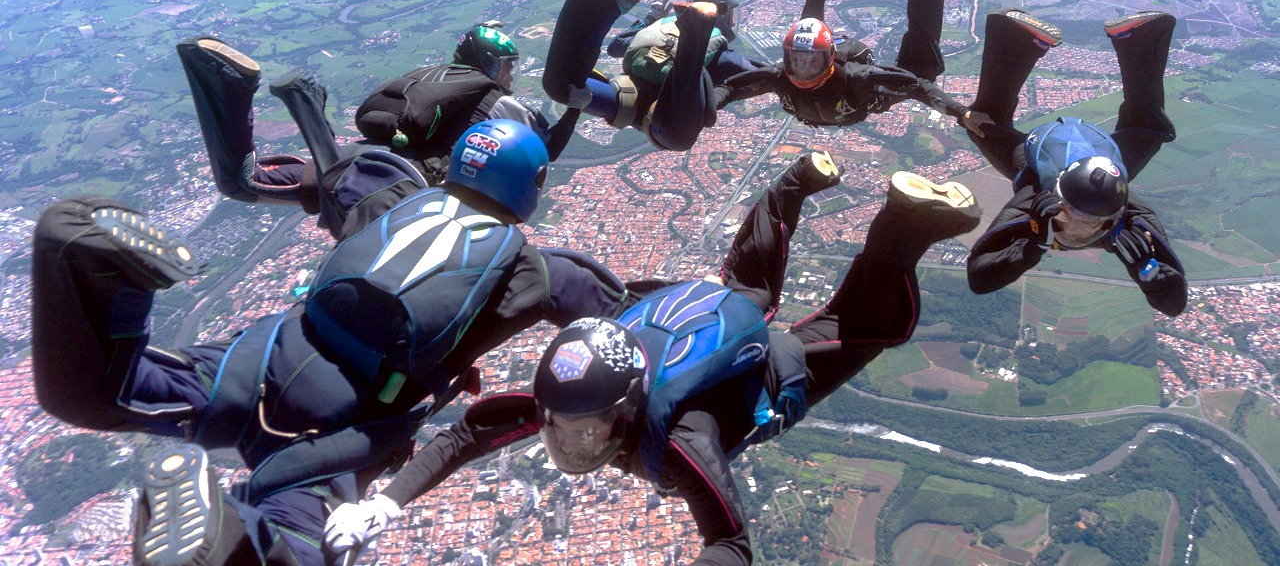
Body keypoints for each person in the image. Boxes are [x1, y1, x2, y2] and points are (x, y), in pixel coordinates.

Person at [30, 120, 641, 566]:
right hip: (342, 421)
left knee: (100, 392)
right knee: (297, 539)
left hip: (266, 356)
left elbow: (336, 181)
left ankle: (85, 268)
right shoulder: (536, 269)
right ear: (530, 184)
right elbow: (623, 321)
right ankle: (225, 540)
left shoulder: (397, 201)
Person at [324, 156, 982, 564]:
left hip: (770, 365)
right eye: (565, 428)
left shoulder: (682, 441)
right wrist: (387, 503)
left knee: (864, 325)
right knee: (746, 285)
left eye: (586, 431)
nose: (576, 444)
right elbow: (474, 429)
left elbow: (730, 545)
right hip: (699, 312)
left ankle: (903, 220)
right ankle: (799, 180)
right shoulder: (583, 392)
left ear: (628, 406)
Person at [176, 24, 581, 236]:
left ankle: (224, 83)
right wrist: (575, 111)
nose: (512, 74)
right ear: (491, 65)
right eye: (508, 65)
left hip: (360, 157)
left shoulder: (428, 75)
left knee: (244, 183)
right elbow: (545, 150)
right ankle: (304, 106)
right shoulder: (496, 100)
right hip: (400, 186)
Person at [963, 9, 1186, 316]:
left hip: (1085, 165)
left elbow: (980, 277)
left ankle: (1017, 39)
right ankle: (1138, 38)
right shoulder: (1044, 206)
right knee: (1149, 127)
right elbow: (978, 278)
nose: (1080, 230)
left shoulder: (1038, 210)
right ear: (1057, 198)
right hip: (1045, 157)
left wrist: (1033, 246)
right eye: (1077, 216)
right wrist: (1149, 273)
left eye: (1092, 222)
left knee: (982, 124)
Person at [715, 0, 990, 136]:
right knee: (808, 39)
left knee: (922, 71)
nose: (802, 71)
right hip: (846, 96)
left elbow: (917, 85)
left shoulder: (856, 78)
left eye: (809, 64)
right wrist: (712, 101)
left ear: (832, 59)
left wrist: (961, 112)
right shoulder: (784, 76)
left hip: (853, 92)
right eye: (795, 61)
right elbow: (731, 88)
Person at [541, 0, 761, 151]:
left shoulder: (661, 27)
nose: (732, 23)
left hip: (625, 98)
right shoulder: (723, 56)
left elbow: (617, 47)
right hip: (663, 122)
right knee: (680, 140)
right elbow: (759, 75)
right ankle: (696, 33)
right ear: (720, 12)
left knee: (560, 87)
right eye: (730, 15)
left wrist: (652, 16)